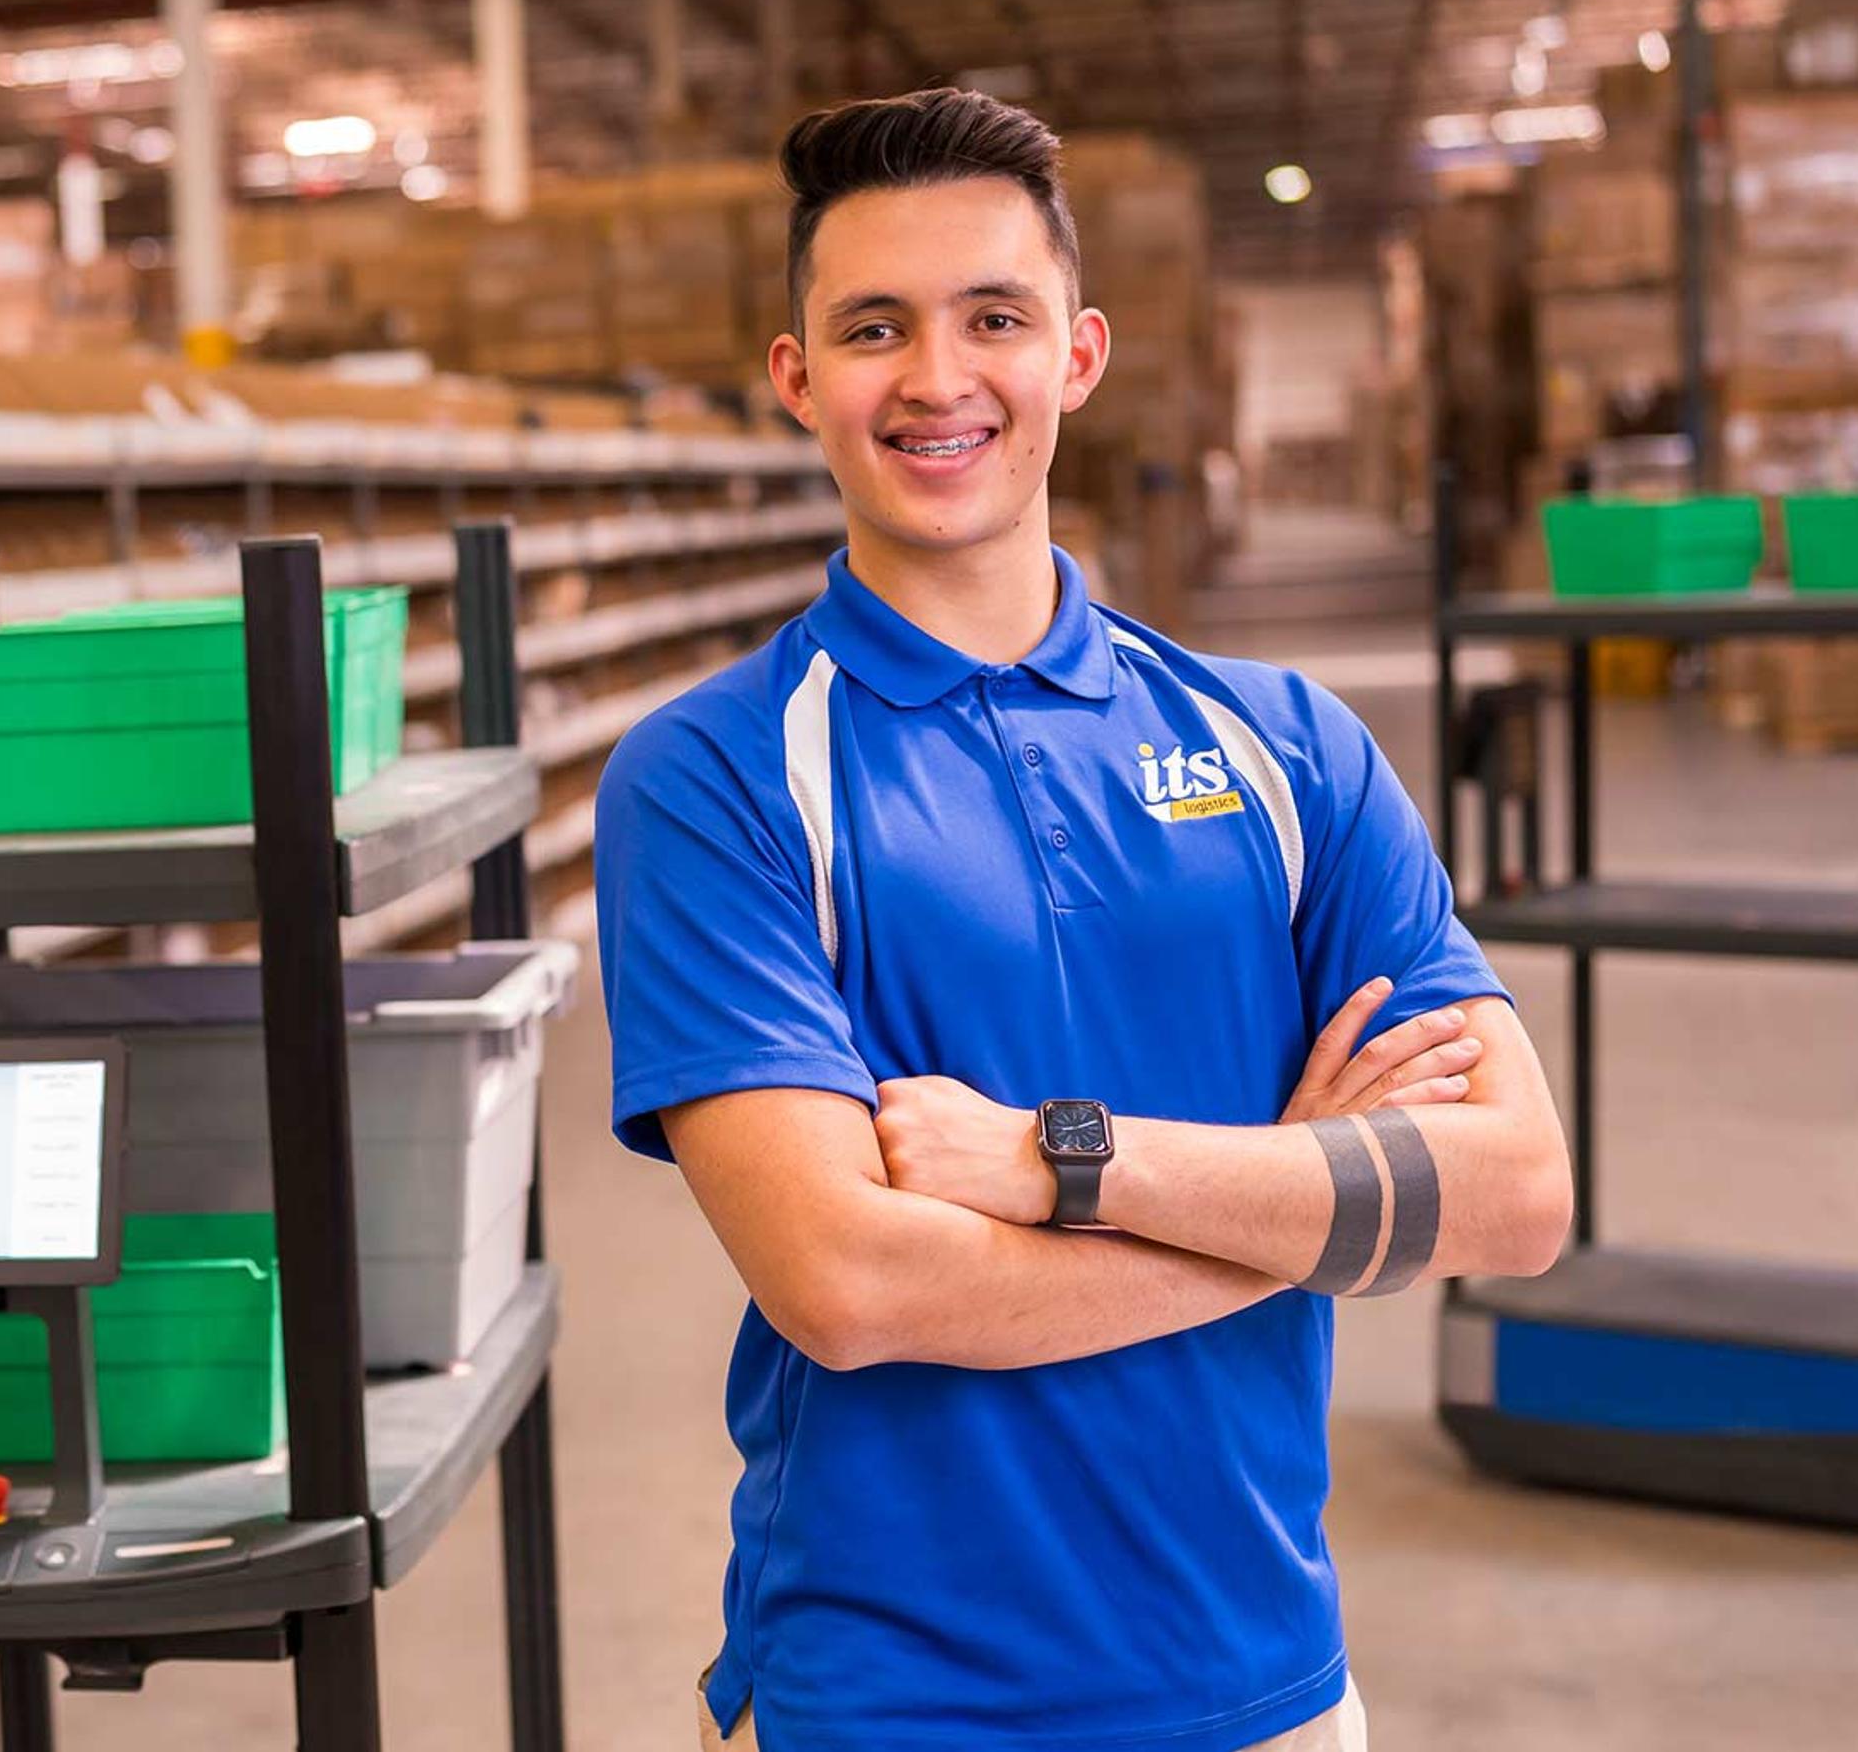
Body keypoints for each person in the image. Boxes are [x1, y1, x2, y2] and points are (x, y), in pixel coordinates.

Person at [594, 88, 1575, 1752]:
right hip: (890, 1706)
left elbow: (1517, 1191)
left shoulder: (1288, 746)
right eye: (875, 328)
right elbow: (850, 1282)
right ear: (799, 379)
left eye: (995, 318)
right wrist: (1296, 1201)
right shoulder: (715, 777)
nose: (937, 377)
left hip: (1270, 1688)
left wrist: (1069, 1162)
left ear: (1081, 353)